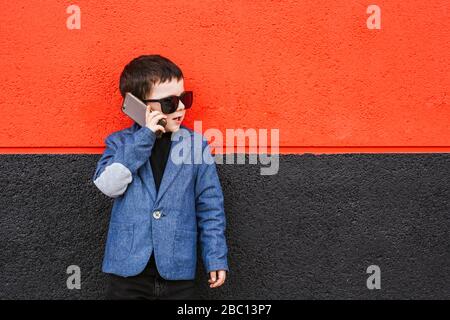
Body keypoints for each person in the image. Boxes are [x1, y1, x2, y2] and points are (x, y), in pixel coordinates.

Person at [92, 54, 229, 299]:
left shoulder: (196, 146)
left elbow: (210, 207)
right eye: (169, 102)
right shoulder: (120, 143)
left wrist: (215, 255)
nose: (180, 108)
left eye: (184, 98)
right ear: (140, 105)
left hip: (177, 271)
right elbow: (108, 186)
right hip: (127, 272)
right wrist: (144, 137)